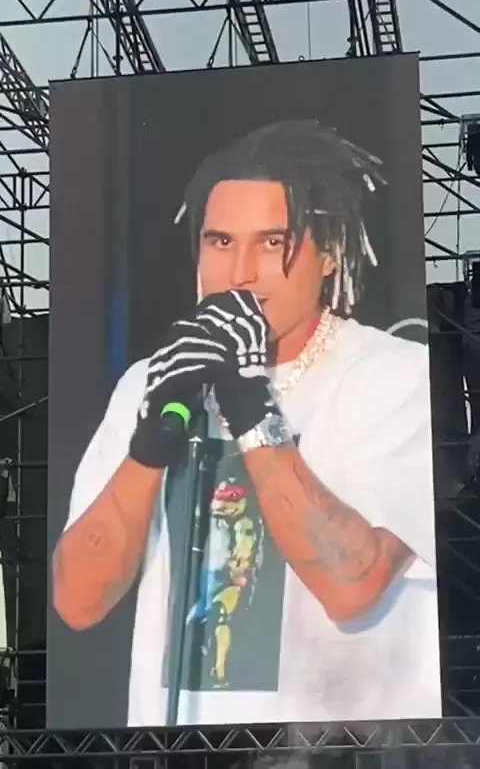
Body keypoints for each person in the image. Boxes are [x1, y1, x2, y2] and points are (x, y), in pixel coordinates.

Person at [52, 120, 441, 726]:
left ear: (329, 252)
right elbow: (77, 602)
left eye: (271, 242)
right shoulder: (148, 382)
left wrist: (249, 405)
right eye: (220, 242)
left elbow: (352, 584)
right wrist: (151, 442)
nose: (240, 272)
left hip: (347, 751)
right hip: (181, 752)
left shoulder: (396, 375)